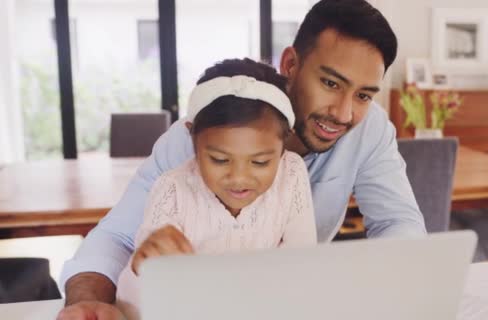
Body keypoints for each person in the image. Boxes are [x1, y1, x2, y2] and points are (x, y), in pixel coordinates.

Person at [57, 0, 426, 319]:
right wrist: (90, 304)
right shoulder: (211, 131)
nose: (344, 113)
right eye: (331, 84)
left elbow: (398, 222)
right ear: (291, 64)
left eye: (363, 95)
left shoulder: (370, 128)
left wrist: (387, 291)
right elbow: (118, 235)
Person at [113, 58, 317, 320]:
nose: (239, 178)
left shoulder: (291, 173)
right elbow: (135, 303)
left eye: (260, 162)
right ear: (192, 137)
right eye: (220, 160)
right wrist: (144, 267)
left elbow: (302, 267)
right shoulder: (172, 191)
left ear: (284, 141)